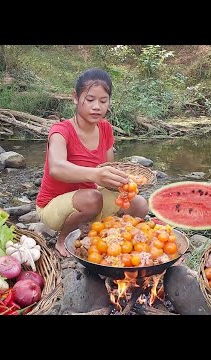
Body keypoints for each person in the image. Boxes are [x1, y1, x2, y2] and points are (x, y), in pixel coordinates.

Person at [36, 68, 149, 257]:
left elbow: (109, 170)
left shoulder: (105, 129)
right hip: (54, 206)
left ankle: (115, 237)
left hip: (90, 199)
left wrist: (125, 183)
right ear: (75, 97)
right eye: (90, 100)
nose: (97, 106)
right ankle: (62, 239)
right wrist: (95, 174)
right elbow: (56, 168)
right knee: (93, 198)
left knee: (139, 204)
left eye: (103, 101)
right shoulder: (60, 131)